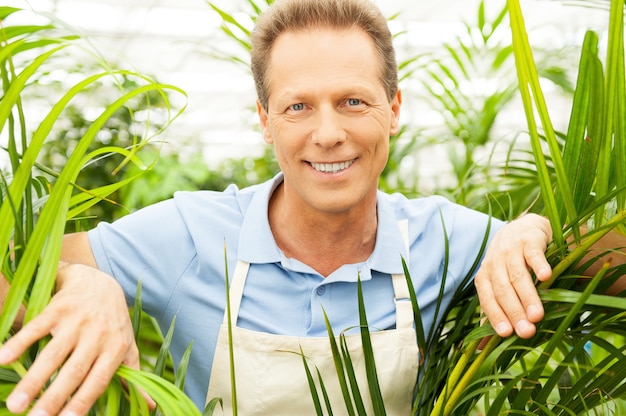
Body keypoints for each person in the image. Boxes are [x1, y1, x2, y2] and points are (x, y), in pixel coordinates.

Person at [0, 0, 621, 415]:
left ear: (394, 110)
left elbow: (603, 263)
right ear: (266, 121)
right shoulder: (189, 234)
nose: (327, 133)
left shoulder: (443, 237)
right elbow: (16, 279)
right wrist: (81, 278)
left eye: (353, 101)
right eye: (298, 107)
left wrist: (534, 229)